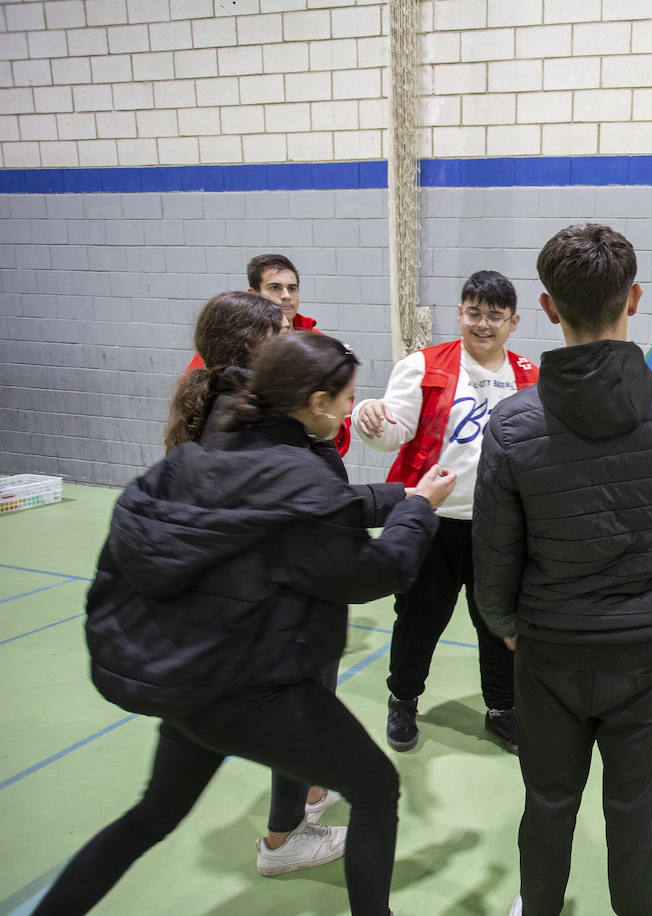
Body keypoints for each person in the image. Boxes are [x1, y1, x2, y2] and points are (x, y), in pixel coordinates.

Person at [36, 331, 457, 916]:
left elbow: (303, 511)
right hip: (252, 687)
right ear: (316, 402)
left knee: (151, 817)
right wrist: (419, 512)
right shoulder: (300, 475)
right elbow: (370, 572)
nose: (347, 410)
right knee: (376, 789)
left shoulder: (207, 453)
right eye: (345, 398)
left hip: (191, 678)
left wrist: (400, 496)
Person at [472, 224, 652, 916]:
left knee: (548, 801)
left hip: (549, 648)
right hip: (648, 649)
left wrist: (508, 625)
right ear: (633, 299)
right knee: (635, 810)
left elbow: (493, 557)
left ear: (548, 308)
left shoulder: (513, 424)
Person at [166, 291, 356, 876]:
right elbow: (323, 496)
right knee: (299, 708)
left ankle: (309, 789)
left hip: (265, 587)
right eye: (279, 330)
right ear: (251, 344)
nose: (289, 337)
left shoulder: (230, 405)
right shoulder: (255, 421)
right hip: (279, 597)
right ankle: (284, 840)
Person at [352, 270, 538, 753]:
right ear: (459, 314)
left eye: (494, 316)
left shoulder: (530, 377)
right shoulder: (421, 366)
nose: (483, 324)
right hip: (431, 522)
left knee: (499, 625)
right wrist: (371, 419)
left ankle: (503, 710)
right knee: (419, 620)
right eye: (473, 313)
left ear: (513, 322)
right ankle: (402, 700)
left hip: (499, 528)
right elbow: (391, 433)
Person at [185, 254, 351, 455]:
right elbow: (194, 404)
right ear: (253, 294)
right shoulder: (224, 348)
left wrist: (323, 431)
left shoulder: (318, 345)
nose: (286, 296)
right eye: (275, 288)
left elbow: (340, 419)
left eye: (292, 288)